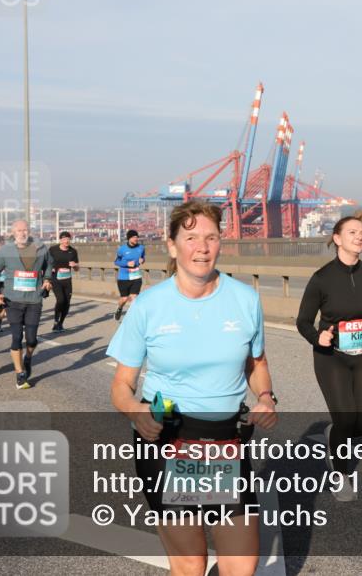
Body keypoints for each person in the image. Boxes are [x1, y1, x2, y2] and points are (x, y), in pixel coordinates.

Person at [108, 200, 276, 576]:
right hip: (168, 437)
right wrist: (136, 411)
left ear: (220, 243)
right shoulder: (149, 305)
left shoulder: (245, 299)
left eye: (211, 237)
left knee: (241, 566)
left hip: (225, 439)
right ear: (172, 246)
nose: (202, 247)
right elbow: (121, 384)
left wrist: (265, 397)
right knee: (190, 564)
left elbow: (258, 365)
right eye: (191, 238)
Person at [296, 212, 362, 502]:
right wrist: (317, 337)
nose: (360, 237)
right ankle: (341, 474)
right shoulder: (322, 278)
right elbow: (303, 321)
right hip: (331, 357)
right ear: (337, 239)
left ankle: (332, 432)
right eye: (352, 233)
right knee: (347, 418)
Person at [0, 220, 53, 390]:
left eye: (25, 230)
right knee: (17, 337)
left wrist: (46, 280)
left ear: (29, 231)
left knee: (31, 339)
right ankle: (19, 373)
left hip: (34, 300)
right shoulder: (6, 251)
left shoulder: (40, 248)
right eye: (19, 230)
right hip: (12, 301)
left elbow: (49, 264)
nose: (22, 233)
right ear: (13, 232)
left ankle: (28, 358)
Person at [48, 231, 79, 331]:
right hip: (56, 279)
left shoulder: (73, 251)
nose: (66, 241)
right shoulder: (53, 250)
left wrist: (75, 265)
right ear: (60, 240)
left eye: (68, 239)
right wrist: (50, 269)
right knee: (60, 300)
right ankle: (55, 322)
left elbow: (77, 268)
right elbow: (46, 263)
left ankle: (60, 323)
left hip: (67, 280)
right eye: (64, 239)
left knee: (67, 302)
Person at [114, 229, 145, 321]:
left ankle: (132, 318)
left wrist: (142, 260)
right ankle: (119, 308)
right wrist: (126, 264)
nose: (136, 239)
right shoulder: (122, 249)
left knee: (134, 297)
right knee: (124, 299)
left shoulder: (141, 248)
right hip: (123, 277)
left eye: (137, 237)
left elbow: (143, 257)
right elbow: (116, 262)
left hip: (136, 276)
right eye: (133, 237)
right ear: (129, 238)